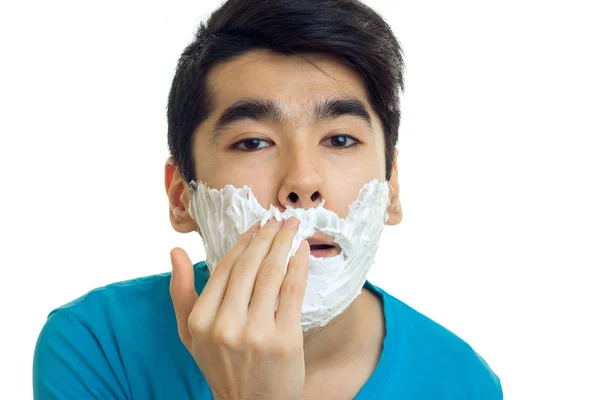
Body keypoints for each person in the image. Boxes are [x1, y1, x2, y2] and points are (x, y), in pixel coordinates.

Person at [33, 0, 503, 398]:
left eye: (340, 140)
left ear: (391, 189)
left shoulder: (464, 383)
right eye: (253, 142)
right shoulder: (95, 345)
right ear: (182, 196)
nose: (302, 182)